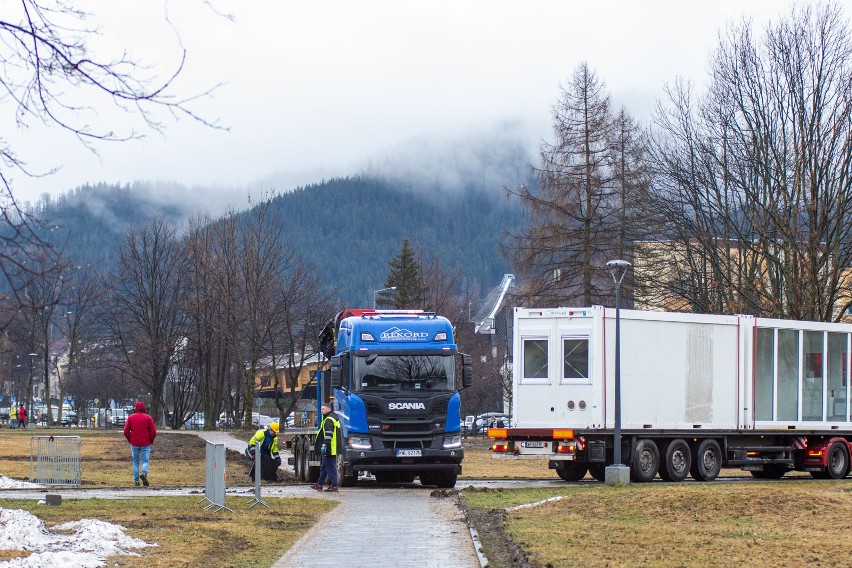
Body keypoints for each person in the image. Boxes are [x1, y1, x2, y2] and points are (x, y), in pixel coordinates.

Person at [123, 401, 157, 487]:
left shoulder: (131, 417)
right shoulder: (148, 418)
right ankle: (144, 473)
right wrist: (150, 440)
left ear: (136, 408)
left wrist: (130, 439)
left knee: (135, 462)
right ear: (144, 409)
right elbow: (153, 432)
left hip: (134, 443)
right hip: (145, 443)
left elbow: (126, 431)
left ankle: (136, 481)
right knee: (145, 460)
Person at [311, 403, 342, 492]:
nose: (321, 411)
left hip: (330, 448)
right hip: (332, 447)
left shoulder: (329, 419)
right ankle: (319, 484)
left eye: (323, 409)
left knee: (331, 467)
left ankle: (334, 485)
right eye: (321, 409)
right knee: (324, 467)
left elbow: (328, 434)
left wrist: (325, 444)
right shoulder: (332, 417)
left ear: (329, 409)